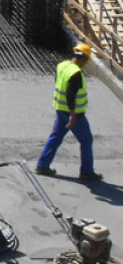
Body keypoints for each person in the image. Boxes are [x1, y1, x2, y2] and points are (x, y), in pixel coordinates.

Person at [35, 44, 103, 181]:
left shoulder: (63, 66)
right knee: (86, 140)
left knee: (56, 136)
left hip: (60, 110)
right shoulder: (76, 73)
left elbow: (58, 83)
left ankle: (42, 164)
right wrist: (73, 115)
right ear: (82, 59)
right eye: (86, 60)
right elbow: (70, 94)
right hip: (74, 114)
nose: (86, 63)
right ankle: (87, 172)